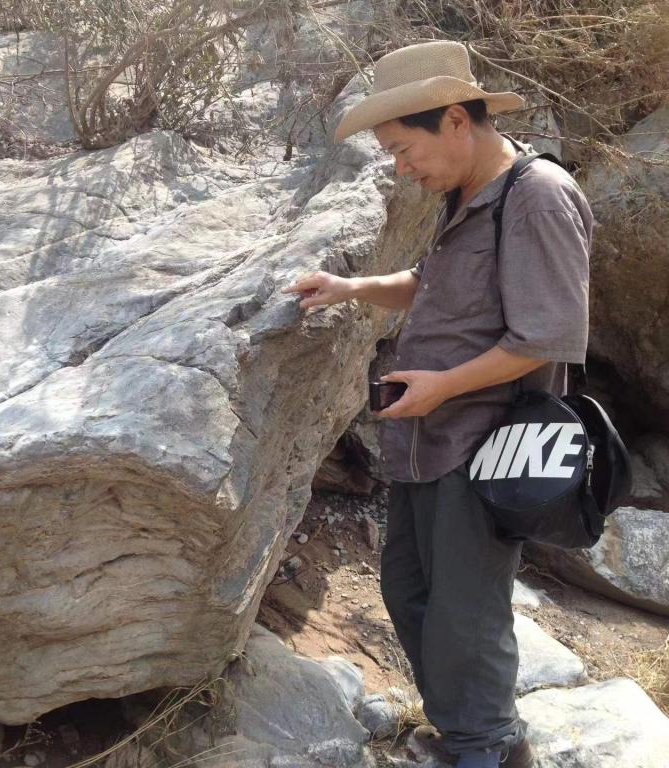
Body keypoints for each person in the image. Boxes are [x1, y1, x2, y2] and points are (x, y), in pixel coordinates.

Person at [282, 41, 591, 768]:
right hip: (427, 442)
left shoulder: (537, 196)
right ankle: (471, 733)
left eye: (402, 148)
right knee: (409, 589)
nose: (400, 167)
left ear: (455, 119)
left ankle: (486, 748)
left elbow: (549, 335)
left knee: (465, 612)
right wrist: (353, 288)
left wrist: (443, 386)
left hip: (484, 448)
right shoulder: (469, 194)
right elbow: (430, 282)